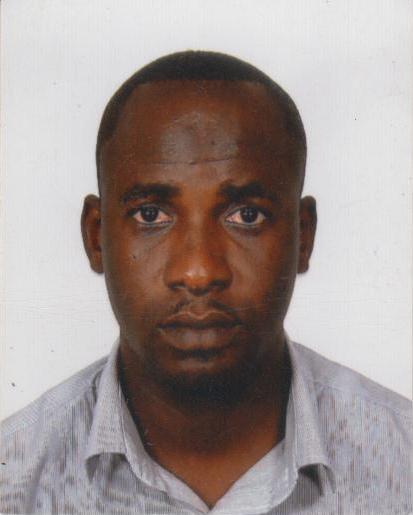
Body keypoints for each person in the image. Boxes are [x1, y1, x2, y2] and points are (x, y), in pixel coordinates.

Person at [0, 51, 411, 515]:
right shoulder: (13, 480)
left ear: (304, 236)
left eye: (247, 216)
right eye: (150, 215)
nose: (198, 271)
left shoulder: (402, 464)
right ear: (96, 236)